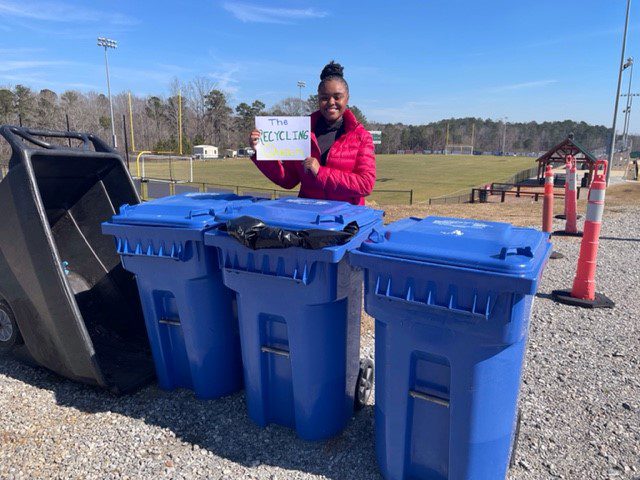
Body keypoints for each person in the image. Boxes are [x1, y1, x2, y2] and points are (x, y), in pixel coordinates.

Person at [248, 61, 376, 205]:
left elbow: (366, 184)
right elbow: (288, 180)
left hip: (345, 220)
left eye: (337, 97)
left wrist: (320, 172)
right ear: (318, 99)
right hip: (309, 217)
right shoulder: (301, 131)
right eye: (324, 98)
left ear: (347, 98)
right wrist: (261, 151)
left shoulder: (361, 136)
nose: (331, 102)